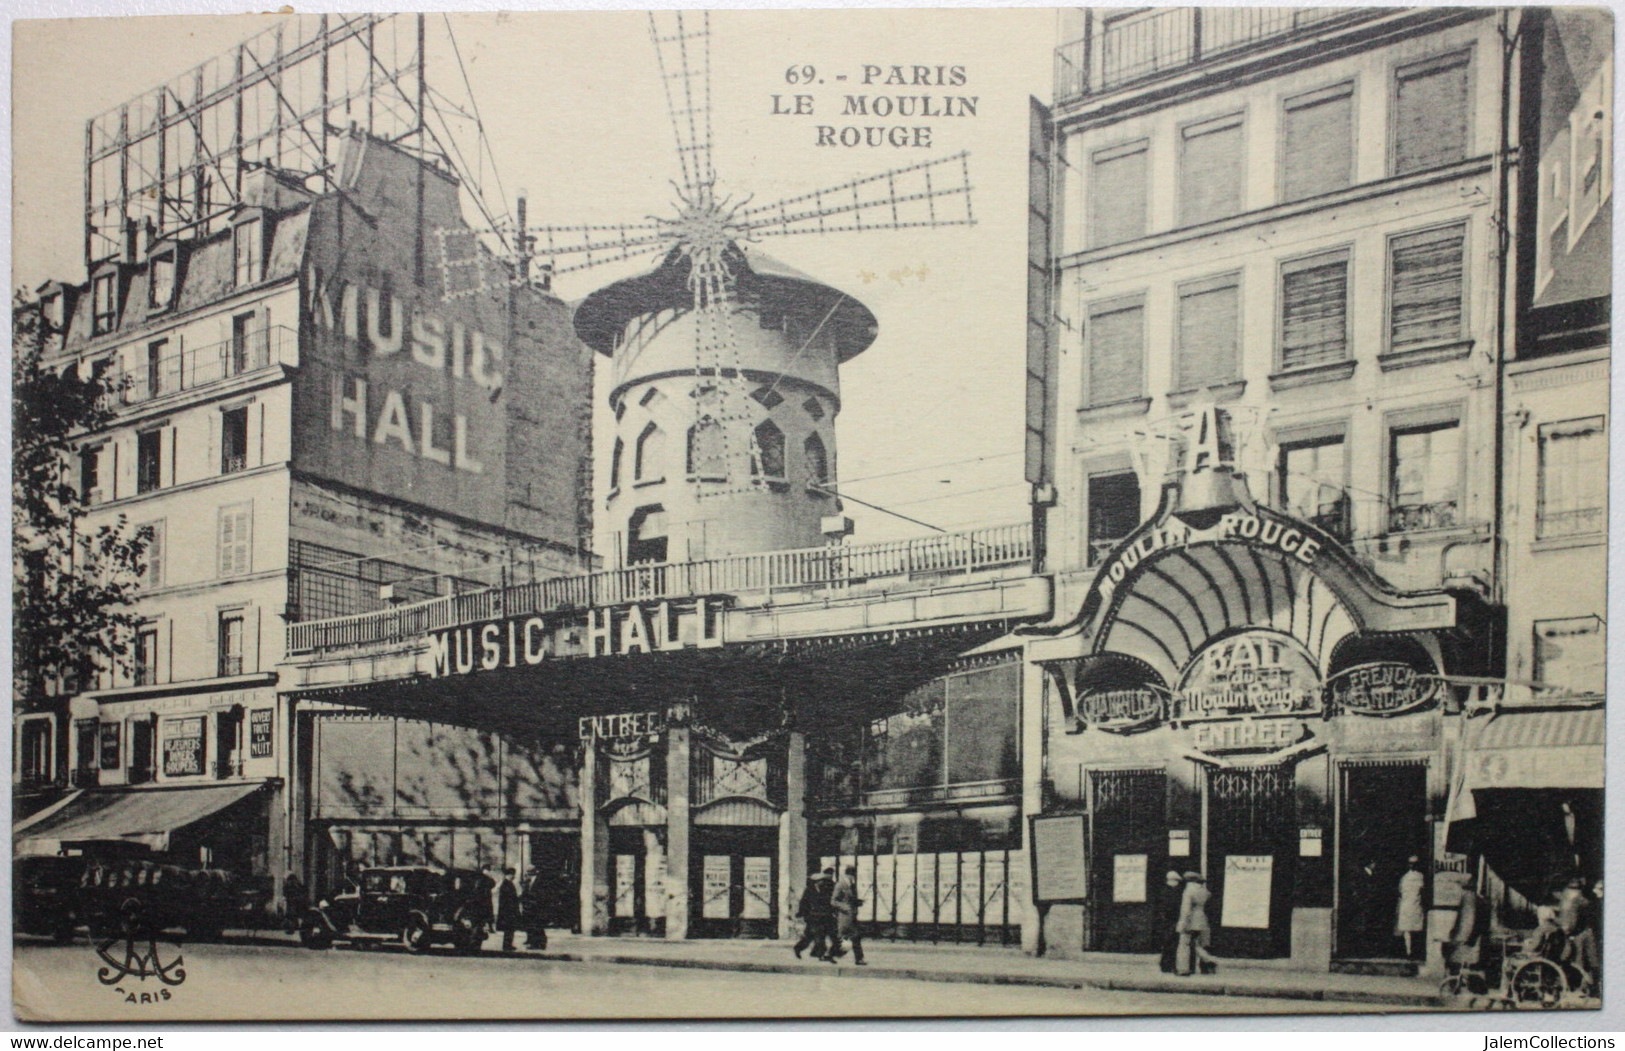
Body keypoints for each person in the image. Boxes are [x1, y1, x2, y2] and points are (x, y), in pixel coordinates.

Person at [1175, 870, 1217, 976]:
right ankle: (1208, 959)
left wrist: (1183, 922)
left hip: (1190, 920)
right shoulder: (1204, 891)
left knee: (1184, 944)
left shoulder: (1188, 891)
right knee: (1196, 944)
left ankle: (1183, 969)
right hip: (1201, 918)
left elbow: (1186, 909)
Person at [792, 868, 836, 961]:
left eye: (823, 880)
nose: (822, 882)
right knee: (817, 935)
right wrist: (801, 913)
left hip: (823, 916)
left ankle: (806, 950)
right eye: (820, 881)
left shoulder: (826, 888)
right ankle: (818, 954)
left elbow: (829, 902)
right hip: (812, 916)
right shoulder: (810, 890)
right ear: (816, 882)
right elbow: (804, 902)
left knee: (812, 936)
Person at [832, 865, 867, 965]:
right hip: (844, 916)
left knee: (855, 936)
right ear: (849, 875)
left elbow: (850, 899)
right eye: (852, 876)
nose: (852, 878)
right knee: (850, 937)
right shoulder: (840, 885)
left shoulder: (851, 885)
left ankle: (858, 959)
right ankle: (832, 954)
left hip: (851, 915)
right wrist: (844, 907)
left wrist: (858, 902)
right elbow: (833, 901)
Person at [1395, 856, 1425, 957]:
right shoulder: (1407, 877)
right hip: (1409, 905)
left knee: (1410, 930)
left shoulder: (1406, 877)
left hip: (1412, 905)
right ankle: (1410, 952)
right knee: (1410, 930)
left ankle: (1410, 951)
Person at [1158, 871, 1185, 973]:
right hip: (1173, 921)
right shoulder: (1177, 892)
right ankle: (1170, 965)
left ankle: (1165, 965)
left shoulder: (1163, 891)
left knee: (1166, 943)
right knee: (1172, 943)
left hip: (1165, 921)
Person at [521, 869, 549, 951]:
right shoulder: (529, 882)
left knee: (538, 926)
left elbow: (542, 894)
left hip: (538, 907)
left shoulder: (540, 881)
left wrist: (534, 901)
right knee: (533, 926)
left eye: (528, 873)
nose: (527, 874)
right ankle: (535, 943)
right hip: (530, 907)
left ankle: (540, 944)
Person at [495, 867, 521, 952]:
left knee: (509, 929)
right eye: (513, 874)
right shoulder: (507, 884)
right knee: (509, 929)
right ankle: (507, 945)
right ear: (510, 874)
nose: (514, 876)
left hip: (507, 911)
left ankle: (508, 944)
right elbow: (510, 899)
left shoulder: (506, 883)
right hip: (508, 911)